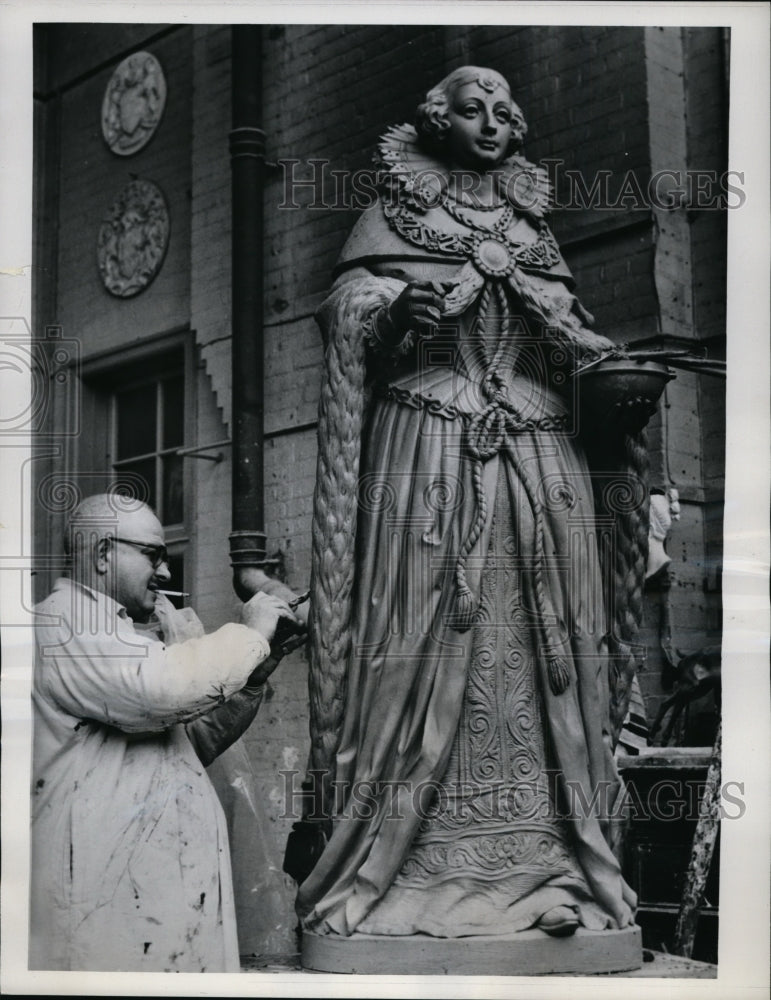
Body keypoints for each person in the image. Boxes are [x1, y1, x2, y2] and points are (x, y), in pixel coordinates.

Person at [295, 67, 651, 940]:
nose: (490, 122)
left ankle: (552, 864)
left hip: (537, 461)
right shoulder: (391, 215)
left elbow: (566, 338)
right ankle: (400, 874)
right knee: (423, 636)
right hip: (428, 456)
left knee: (545, 648)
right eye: (471, 108)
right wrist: (386, 309)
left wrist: (607, 374)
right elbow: (342, 310)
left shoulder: (531, 229)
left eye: (503, 111)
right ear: (436, 122)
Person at [30, 493, 299, 972]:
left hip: (154, 900)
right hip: (108, 904)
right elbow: (162, 690)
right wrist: (250, 633)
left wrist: (258, 669)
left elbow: (189, 742)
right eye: (153, 555)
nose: (167, 573)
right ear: (101, 552)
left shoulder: (120, 633)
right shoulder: (63, 622)